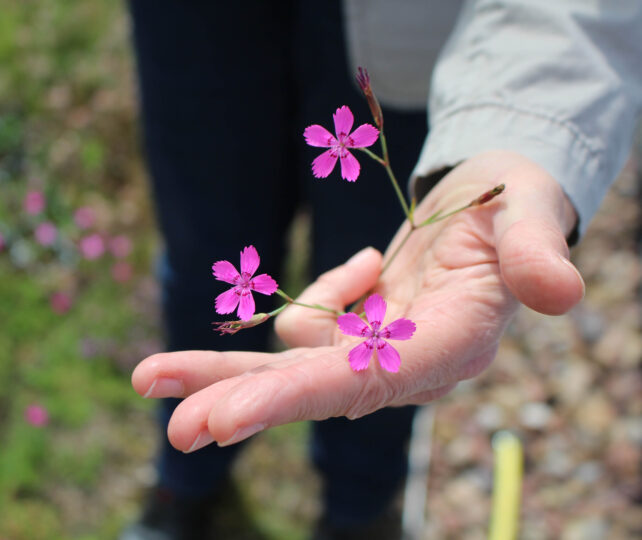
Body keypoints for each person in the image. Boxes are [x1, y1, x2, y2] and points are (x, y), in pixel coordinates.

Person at [124, 1, 642, 539]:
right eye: (341, 143)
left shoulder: (364, 140)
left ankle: (359, 508)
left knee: (384, 291)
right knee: (206, 247)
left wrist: (518, 133)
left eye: (345, 142)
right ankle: (185, 483)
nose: (343, 145)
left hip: (409, 27)